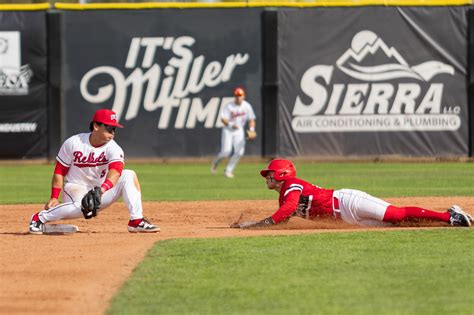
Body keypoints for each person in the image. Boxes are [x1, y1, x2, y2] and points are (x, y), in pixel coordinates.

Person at [231, 159, 472, 228]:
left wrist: (259, 225)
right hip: (346, 218)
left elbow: (285, 212)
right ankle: (442, 223)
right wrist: (250, 223)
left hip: (349, 202)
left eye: (270, 174)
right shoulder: (284, 194)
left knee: (396, 215)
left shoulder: (292, 185)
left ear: (283, 174)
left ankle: (449, 216)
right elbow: (286, 213)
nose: (267, 177)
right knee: (395, 225)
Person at [28, 108, 160, 234]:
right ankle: (39, 218)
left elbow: (116, 172)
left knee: (128, 174)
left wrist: (101, 190)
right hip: (75, 188)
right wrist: (54, 197)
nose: (112, 132)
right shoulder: (74, 143)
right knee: (81, 205)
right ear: (96, 126)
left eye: (114, 128)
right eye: (109, 128)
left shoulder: (114, 148)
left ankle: (136, 220)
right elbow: (59, 171)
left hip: (99, 192)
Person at [211, 87, 256, 178]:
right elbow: (223, 119)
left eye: (240, 95)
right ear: (234, 96)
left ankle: (228, 170)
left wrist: (251, 130)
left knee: (239, 152)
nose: (238, 97)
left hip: (239, 131)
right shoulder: (229, 106)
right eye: (236, 95)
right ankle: (215, 162)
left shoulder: (247, 106)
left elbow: (251, 119)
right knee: (226, 152)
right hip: (228, 130)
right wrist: (231, 125)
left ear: (243, 96)